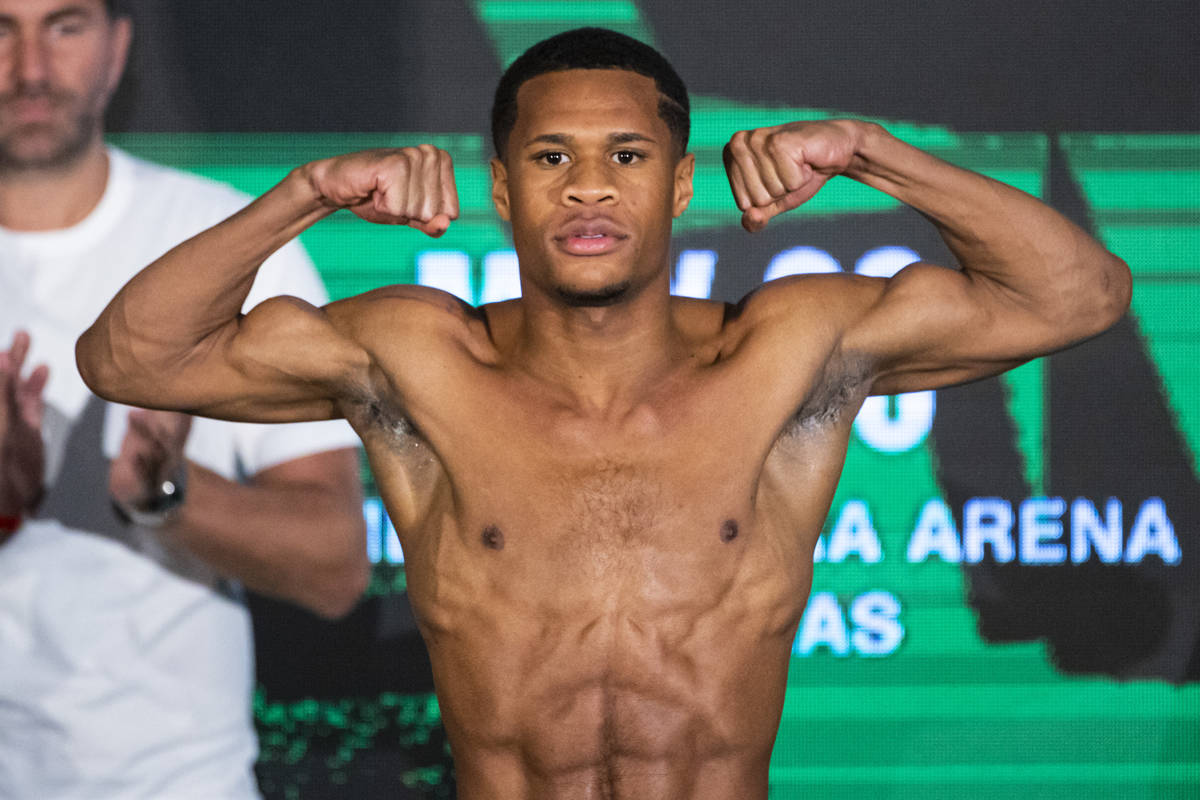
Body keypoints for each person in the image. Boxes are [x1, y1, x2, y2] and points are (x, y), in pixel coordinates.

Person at [77, 25, 1132, 800]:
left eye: (626, 156)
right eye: (551, 158)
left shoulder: (785, 351)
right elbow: (129, 355)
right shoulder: (418, 359)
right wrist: (302, 193)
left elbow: (1079, 294)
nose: (588, 188)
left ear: (677, 187)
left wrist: (870, 151)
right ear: (501, 187)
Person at [0, 0, 368, 796]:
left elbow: (336, 565)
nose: (29, 68)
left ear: (119, 44)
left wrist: (166, 496)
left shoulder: (218, 239)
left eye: (63, 26)